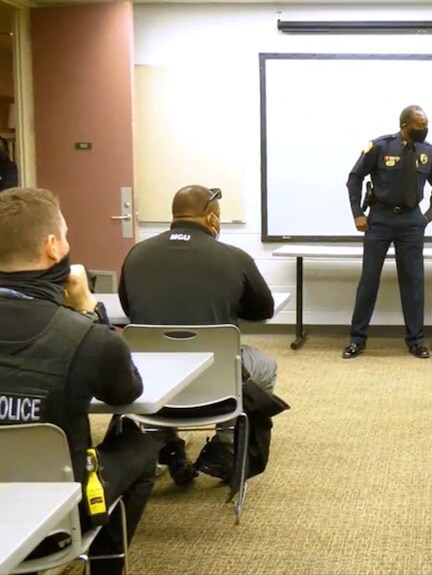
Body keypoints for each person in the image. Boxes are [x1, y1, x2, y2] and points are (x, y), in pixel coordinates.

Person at [0, 188, 160, 575]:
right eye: (66, 236)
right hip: (57, 516)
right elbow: (126, 392)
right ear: (53, 248)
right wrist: (88, 308)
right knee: (140, 446)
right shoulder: (87, 336)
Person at [119, 185, 282, 486]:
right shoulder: (234, 257)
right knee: (265, 365)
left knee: (154, 358)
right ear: (211, 219)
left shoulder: (137, 254)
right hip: (215, 391)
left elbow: (130, 312)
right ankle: (225, 446)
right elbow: (263, 310)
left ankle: (164, 442)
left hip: (152, 388)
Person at [342, 105, 432, 360]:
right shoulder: (381, 147)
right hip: (380, 218)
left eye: (426, 125)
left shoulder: (428, 152)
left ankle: (415, 341)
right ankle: (357, 339)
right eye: (419, 125)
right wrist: (358, 213)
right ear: (404, 126)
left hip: (411, 220)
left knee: (412, 281)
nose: (424, 130)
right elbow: (354, 177)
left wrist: (427, 217)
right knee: (369, 280)